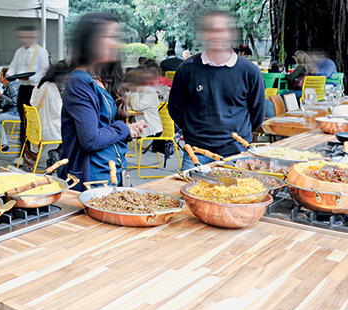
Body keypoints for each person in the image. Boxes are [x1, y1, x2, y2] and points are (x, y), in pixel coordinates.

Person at [58, 13, 147, 188]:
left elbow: (106, 129)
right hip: (91, 180)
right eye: (107, 37)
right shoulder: (79, 82)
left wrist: (129, 131)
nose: (115, 43)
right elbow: (90, 140)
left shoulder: (101, 78)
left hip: (113, 174)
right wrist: (124, 128)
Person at [168, 10, 265, 170]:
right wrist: (194, 130)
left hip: (237, 153)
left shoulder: (250, 71)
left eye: (222, 30)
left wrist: (237, 135)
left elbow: (258, 114)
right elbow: (175, 108)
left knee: (239, 195)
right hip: (196, 152)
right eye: (211, 30)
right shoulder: (187, 69)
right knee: (190, 194)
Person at [25, 61, 70, 167]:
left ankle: (57, 155)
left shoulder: (41, 84)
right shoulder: (52, 89)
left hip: (36, 130)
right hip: (48, 130)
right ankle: (58, 155)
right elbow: (58, 112)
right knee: (74, 131)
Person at [6, 26, 49, 127]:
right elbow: (13, 66)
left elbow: (44, 70)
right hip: (22, 87)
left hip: (34, 88)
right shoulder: (19, 51)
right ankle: (24, 142)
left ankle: (32, 141)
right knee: (22, 116)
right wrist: (9, 74)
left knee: (32, 118)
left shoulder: (41, 51)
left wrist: (30, 78)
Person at [125, 69, 163, 146]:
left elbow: (136, 106)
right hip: (139, 126)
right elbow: (126, 104)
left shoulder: (150, 92)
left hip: (150, 129)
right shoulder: (134, 92)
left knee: (121, 135)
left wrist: (134, 92)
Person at [0, 68, 20, 152]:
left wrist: (1, 96)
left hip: (16, 113)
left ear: (6, 77)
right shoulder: (11, 85)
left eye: (1, 75)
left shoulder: (12, 86)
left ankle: (3, 144)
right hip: (13, 111)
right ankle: (1, 142)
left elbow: (15, 102)